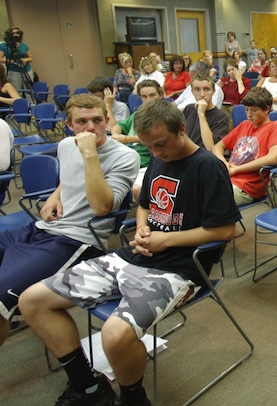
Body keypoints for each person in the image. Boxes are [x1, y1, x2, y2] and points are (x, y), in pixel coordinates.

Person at [20, 99, 240, 406]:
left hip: (180, 269)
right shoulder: (160, 156)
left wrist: (166, 240)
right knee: (32, 301)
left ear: (181, 129)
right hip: (136, 255)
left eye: (162, 144)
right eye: (150, 147)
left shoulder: (208, 167)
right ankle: (88, 388)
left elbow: (226, 230)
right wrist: (142, 228)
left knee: (114, 335)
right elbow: (145, 206)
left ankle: (134, 399)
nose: (158, 153)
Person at [0, 94, 139, 348]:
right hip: (43, 228)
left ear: (106, 120)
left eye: (97, 120)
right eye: (81, 122)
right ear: (69, 125)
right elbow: (68, 178)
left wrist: (89, 154)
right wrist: (56, 195)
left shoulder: (125, 157)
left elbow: (101, 207)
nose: (90, 128)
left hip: (77, 241)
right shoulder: (65, 145)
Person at [212, 88, 277, 205]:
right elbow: (217, 147)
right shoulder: (244, 125)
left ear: (267, 109)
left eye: (254, 110)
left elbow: (272, 158)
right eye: (246, 110)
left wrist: (237, 169)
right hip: (227, 177)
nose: (249, 114)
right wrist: (224, 163)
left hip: (248, 187)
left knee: (208, 201)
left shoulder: (275, 127)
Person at [110, 80, 164, 200]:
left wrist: (125, 139)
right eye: (144, 96)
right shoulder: (138, 114)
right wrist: (116, 136)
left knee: (134, 190)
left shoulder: (164, 115)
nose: (148, 100)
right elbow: (116, 127)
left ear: (160, 96)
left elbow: (156, 138)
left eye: (152, 95)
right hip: (125, 159)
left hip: (144, 163)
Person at [183, 73, 230, 150]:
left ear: (213, 91)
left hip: (205, 158)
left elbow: (210, 148)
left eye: (206, 89)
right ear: (192, 92)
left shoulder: (221, 117)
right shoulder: (189, 109)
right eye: (197, 89)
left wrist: (201, 114)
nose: (202, 94)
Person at [0, 27, 34, 93]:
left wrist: (25, 60)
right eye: (13, 33)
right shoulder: (4, 46)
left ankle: (31, 103)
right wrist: (12, 61)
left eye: (17, 33)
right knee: (17, 91)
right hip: (13, 71)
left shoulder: (24, 45)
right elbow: (0, 59)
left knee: (29, 91)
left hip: (26, 70)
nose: (15, 35)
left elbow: (31, 58)